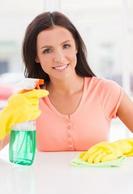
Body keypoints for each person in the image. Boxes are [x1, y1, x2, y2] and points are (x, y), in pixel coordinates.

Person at [0, 11, 133, 163]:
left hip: (98, 186)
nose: (59, 58)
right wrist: (8, 116)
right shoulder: (29, 100)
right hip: (44, 186)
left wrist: (122, 147)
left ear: (76, 47)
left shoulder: (107, 91)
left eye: (66, 46)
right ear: (36, 56)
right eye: (47, 50)